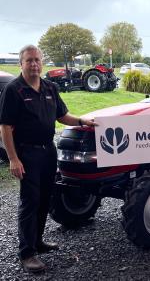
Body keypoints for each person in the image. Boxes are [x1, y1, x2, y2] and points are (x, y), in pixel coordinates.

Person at [0, 45, 96, 273]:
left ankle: (38, 242)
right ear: (21, 64)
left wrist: (82, 121)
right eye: (29, 60)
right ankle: (27, 253)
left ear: (42, 63)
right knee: (30, 201)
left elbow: (63, 116)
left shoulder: (50, 87)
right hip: (27, 153)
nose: (34, 64)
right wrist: (13, 159)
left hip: (48, 151)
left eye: (37, 60)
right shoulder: (14, 90)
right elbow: (4, 127)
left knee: (45, 198)